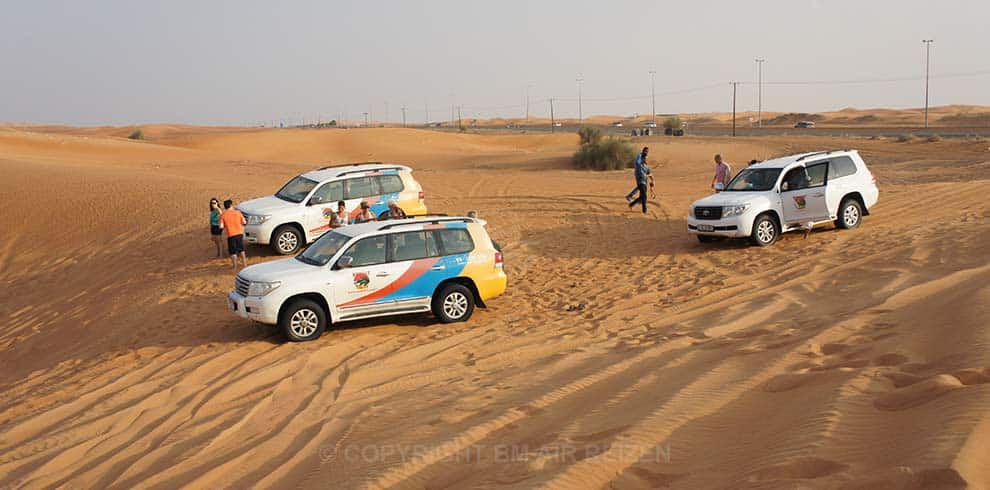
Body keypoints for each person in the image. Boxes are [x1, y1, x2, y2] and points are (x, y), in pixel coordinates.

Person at [219, 199, 247, 270]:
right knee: (241, 249)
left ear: (225, 207)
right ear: (231, 205)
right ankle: (245, 264)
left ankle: (235, 266)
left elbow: (221, 226)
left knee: (233, 251)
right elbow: (244, 222)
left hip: (231, 235)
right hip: (239, 233)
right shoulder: (238, 212)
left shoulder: (223, 215)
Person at [626, 147, 652, 214]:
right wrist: (641, 154)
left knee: (641, 197)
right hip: (640, 182)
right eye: (645, 151)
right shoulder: (639, 164)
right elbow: (637, 162)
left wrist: (653, 181)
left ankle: (631, 204)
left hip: (645, 182)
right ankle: (644, 210)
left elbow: (650, 174)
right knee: (644, 196)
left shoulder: (647, 167)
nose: (646, 159)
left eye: (647, 151)